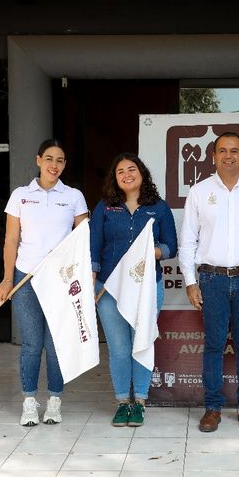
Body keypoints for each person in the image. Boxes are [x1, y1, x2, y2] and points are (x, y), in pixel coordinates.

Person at [179, 131, 239, 433]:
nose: (228, 156)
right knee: (213, 344)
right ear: (214, 156)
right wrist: (190, 281)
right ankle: (212, 408)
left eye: (234, 150)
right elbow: (188, 241)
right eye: (222, 150)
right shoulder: (199, 192)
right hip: (211, 279)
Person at [0, 139, 89, 426]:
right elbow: (11, 239)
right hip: (26, 278)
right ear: (38, 160)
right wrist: (6, 278)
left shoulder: (74, 196)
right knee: (32, 344)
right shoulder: (21, 196)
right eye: (49, 158)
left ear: (65, 165)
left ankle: (54, 401)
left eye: (60, 160)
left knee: (56, 343)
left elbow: (82, 239)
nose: (54, 165)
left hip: (60, 282)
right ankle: (28, 402)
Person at [90, 153, 178, 427]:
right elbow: (93, 246)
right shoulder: (105, 207)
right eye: (120, 171)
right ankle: (122, 402)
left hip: (146, 289)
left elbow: (171, 247)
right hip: (108, 288)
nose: (127, 174)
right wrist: (92, 281)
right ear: (114, 178)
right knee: (118, 348)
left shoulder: (159, 208)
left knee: (141, 344)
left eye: (132, 169)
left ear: (142, 173)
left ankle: (139, 402)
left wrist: (151, 252)